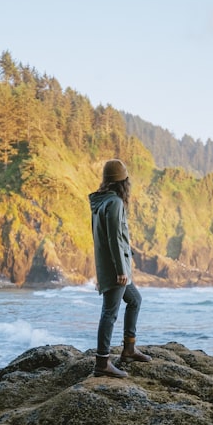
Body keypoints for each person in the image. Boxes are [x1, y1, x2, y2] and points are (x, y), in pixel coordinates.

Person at [88, 159, 152, 378]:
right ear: (123, 182)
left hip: (115, 266)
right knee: (109, 313)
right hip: (117, 269)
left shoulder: (101, 202)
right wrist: (121, 270)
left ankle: (129, 349)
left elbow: (107, 239)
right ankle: (102, 362)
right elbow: (114, 239)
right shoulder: (114, 203)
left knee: (135, 300)